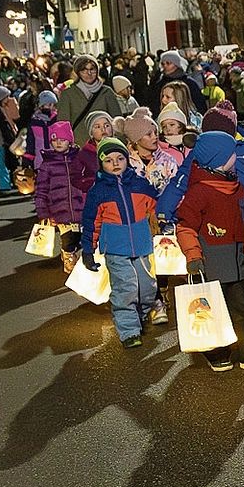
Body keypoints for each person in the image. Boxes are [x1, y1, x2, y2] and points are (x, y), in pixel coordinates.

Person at [176, 131, 244, 374]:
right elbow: (185, 228)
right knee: (212, 311)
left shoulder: (237, 188)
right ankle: (217, 354)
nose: (236, 157)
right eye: (231, 154)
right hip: (211, 264)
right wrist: (193, 256)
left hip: (237, 263)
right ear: (218, 159)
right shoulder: (198, 193)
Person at [78, 138, 160, 349]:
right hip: (115, 248)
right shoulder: (98, 192)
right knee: (126, 288)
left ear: (127, 160)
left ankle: (140, 315)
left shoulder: (140, 184)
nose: (115, 163)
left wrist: (166, 219)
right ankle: (129, 330)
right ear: (101, 164)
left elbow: (157, 206)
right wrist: (88, 249)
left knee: (147, 288)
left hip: (142, 245)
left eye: (120, 158)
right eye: (109, 160)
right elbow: (91, 222)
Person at [33, 121, 93, 266]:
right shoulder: (47, 165)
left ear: (70, 141)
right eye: (55, 140)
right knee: (68, 240)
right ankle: (68, 257)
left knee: (84, 239)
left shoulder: (79, 159)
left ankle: (81, 261)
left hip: (81, 208)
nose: (58, 143)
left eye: (62, 139)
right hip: (60, 211)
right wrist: (43, 213)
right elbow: (41, 190)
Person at [56, 58, 116, 129]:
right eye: (84, 70)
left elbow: (117, 122)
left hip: (104, 136)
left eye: (92, 69)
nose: (89, 73)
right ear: (78, 72)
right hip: (78, 136)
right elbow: (62, 124)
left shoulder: (107, 92)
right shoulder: (67, 94)